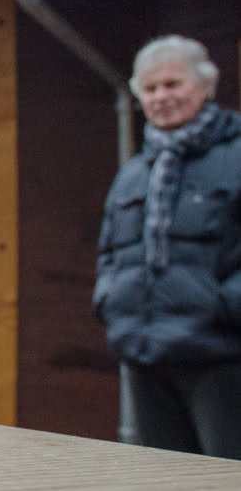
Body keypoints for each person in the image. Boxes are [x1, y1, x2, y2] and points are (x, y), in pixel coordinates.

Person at [94, 35, 241, 458]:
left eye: (173, 84)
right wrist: (111, 301)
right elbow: (110, 253)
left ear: (205, 86)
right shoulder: (135, 172)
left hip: (221, 357)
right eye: (151, 88)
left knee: (225, 480)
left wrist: (223, 308)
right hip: (146, 355)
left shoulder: (235, 157)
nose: (162, 97)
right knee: (166, 479)